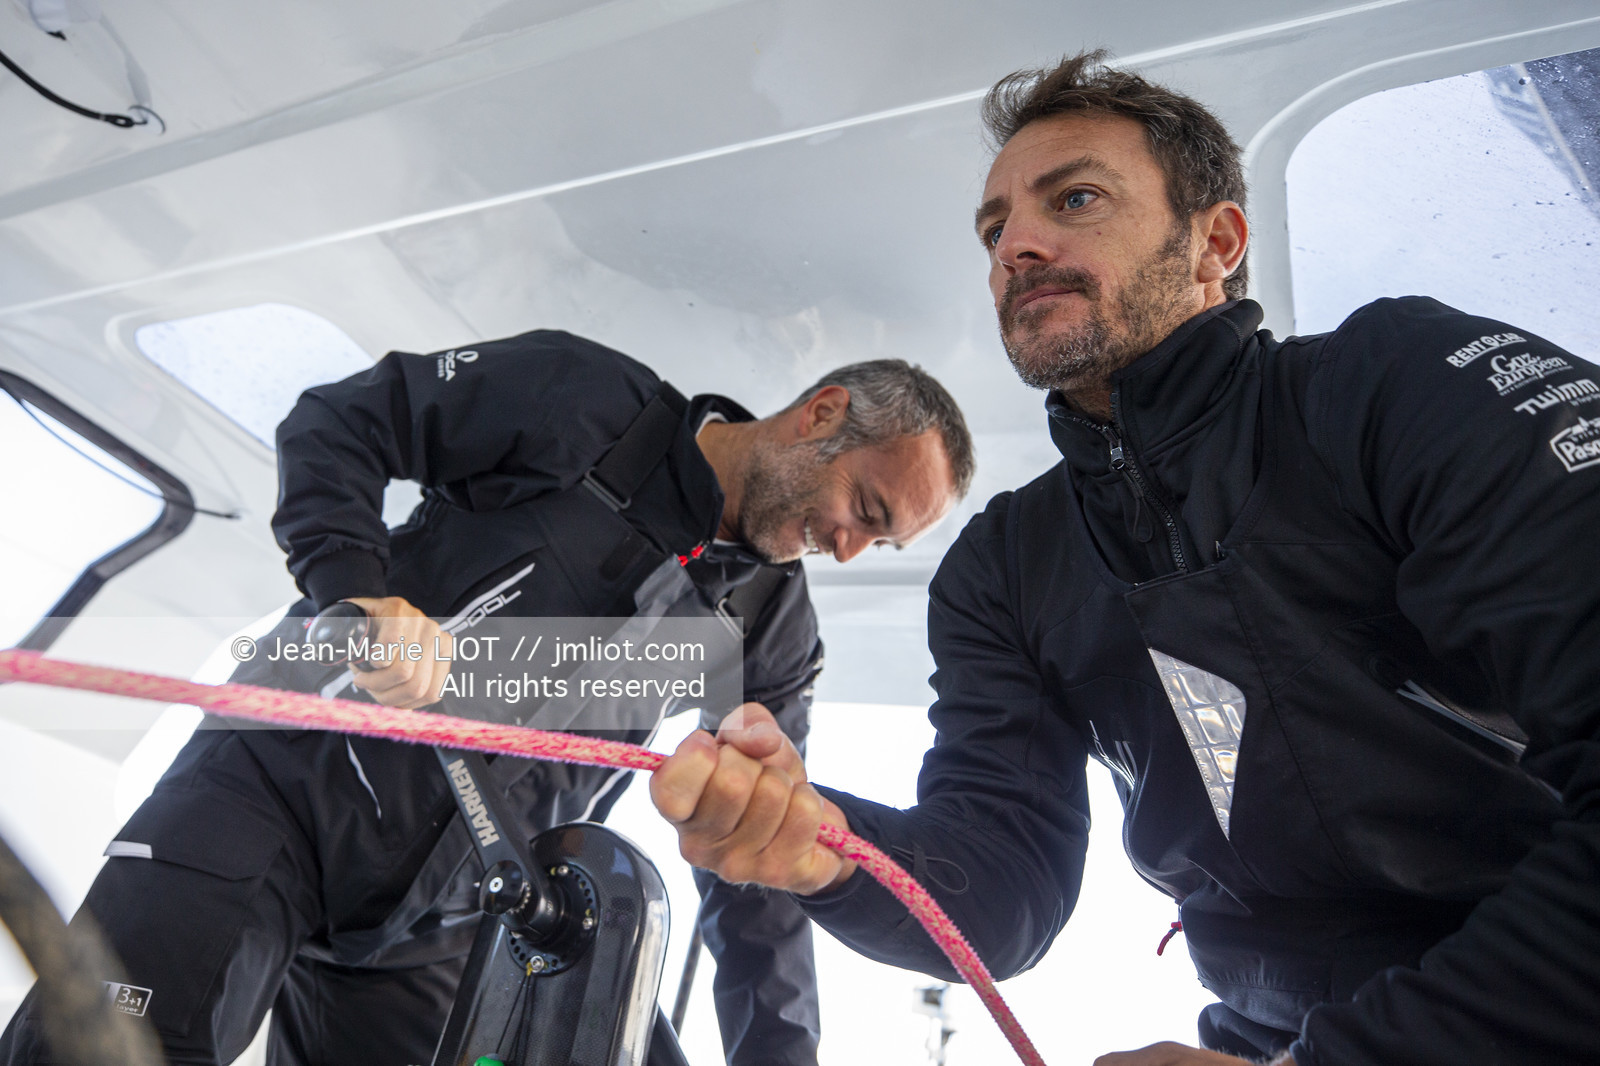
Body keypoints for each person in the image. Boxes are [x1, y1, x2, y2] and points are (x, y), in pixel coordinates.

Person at [650, 50, 1600, 1066]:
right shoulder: (1004, 567)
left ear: (1215, 242)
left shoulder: (1394, 387)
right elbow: (1002, 891)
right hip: (1267, 1032)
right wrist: (826, 847)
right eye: (994, 228)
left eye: (1077, 198)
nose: (1014, 244)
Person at [0, 331, 973, 1066]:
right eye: (866, 510)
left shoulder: (769, 627)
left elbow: (753, 862)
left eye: (877, 544)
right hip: (279, 786)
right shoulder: (587, 401)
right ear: (820, 414)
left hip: (439, 920)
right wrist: (354, 587)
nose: (849, 547)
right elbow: (342, 419)